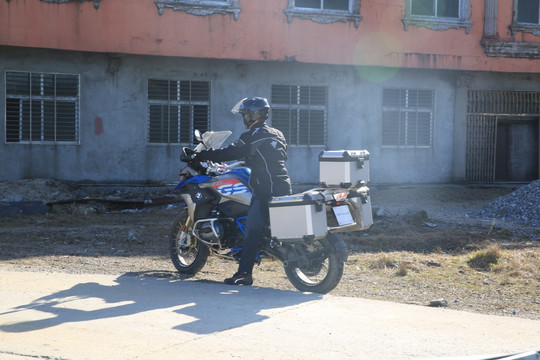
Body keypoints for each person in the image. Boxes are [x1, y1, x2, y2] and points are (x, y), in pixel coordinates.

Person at [195, 97, 292, 286]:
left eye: (245, 114)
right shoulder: (277, 134)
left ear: (252, 115)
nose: (244, 118)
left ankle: (244, 274)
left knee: (252, 231)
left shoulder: (251, 135)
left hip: (265, 190)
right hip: (284, 186)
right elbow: (276, 157)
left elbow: (229, 152)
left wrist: (200, 155)